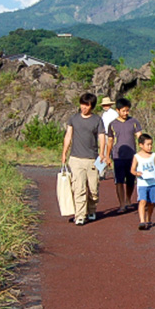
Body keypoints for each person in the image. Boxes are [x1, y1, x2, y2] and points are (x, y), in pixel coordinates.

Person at [61, 93, 106, 225]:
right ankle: (80, 215)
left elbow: (102, 137)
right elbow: (68, 135)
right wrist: (64, 152)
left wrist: (102, 153)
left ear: (91, 106)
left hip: (92, 159)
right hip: (76, 158)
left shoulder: (97, 120)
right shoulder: (73, 119)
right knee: (78, 188)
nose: (84, 107)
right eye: (82, 104)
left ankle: (91, 210)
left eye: (87, 105)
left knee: (93, 189)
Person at [106, 98, 142, 214]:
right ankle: (122, 204)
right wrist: (107, 156)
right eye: (123, 111)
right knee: (119, 181)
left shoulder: (134, 122)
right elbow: (110, 141)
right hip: (118, 156)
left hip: (132, 156)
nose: (125, 113)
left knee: (131, 181)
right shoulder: (112, 124)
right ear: (117, 110)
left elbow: (139, 137)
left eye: (127, 111)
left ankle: (128, 199)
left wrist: (144, 152)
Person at [130, 133, 155, 230]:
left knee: (151, 203)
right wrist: (136, 173)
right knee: (142, 201)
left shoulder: (153, 155)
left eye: (151, 144)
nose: (150, 147)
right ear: (141, 145)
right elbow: (132, 170)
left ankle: (148, 218)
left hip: (153, 183)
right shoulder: (137, 156)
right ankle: (142, 221)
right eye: (147, 144)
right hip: (142, 183)